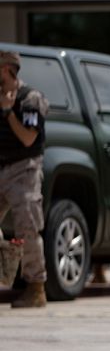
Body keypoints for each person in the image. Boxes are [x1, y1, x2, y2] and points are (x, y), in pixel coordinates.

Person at [0, 50, 49, 308]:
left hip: (24, 168)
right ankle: (5, 276)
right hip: (1, 166)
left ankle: (36, 288)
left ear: (6, 71)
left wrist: (8, 112)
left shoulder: (30, 99)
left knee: (27, 227)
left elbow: (28, 138)